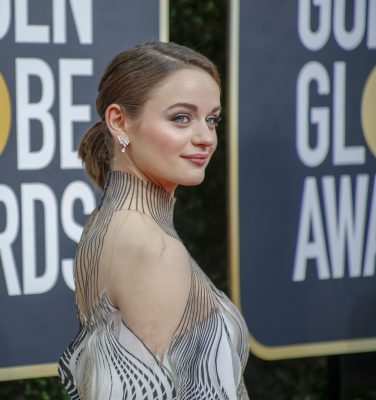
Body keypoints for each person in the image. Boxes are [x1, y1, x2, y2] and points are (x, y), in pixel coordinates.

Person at [58, 42, 249, 399]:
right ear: (119, 122)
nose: (206, 137)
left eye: (212, 119)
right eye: (181, 117)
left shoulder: (105, 223)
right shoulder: (155, 250)